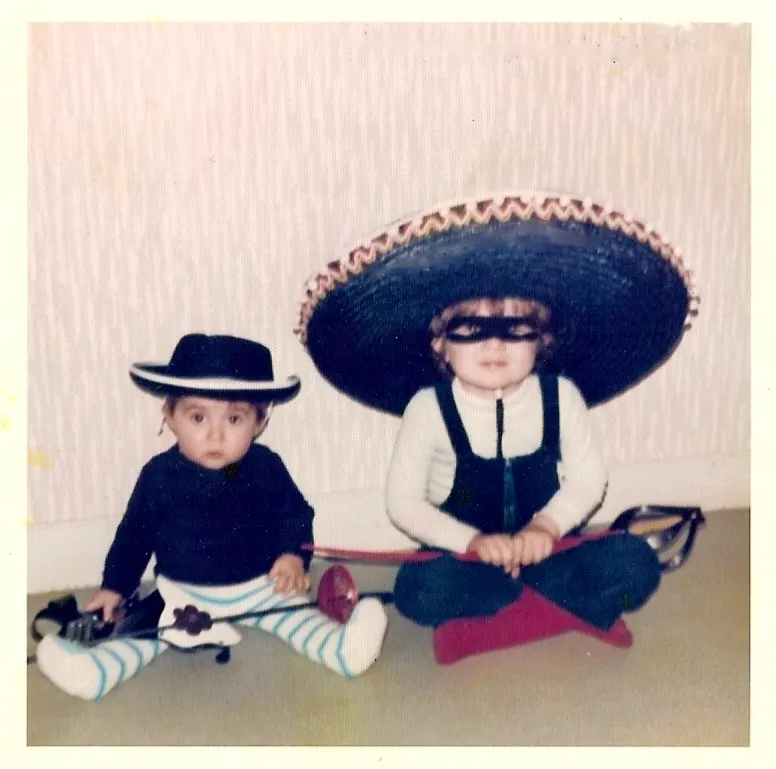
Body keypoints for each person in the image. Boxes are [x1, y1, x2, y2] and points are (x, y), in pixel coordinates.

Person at [296, 193, 698, 664]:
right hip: (470, 559)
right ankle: (555, 611)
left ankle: (498, 621)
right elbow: (403, 503)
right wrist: (472, 543)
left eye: (515, 329)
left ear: (543, 339)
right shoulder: (428, 409)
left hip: (551, 549)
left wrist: (545, 527)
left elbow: (589, 481)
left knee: (636, 563)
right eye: (470, 329)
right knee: (418, 590)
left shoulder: (562, 397)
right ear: (440, 344)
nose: (494, 345)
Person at [36, 334, 388, 700]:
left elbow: (295, 516)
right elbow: (133, 537)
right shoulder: (159, 476)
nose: (215, 434)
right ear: (169, 416)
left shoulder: (266, 467)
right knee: (143, 632)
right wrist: (115, 587)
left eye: (234, 418)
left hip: (262, 589)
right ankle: (96, 671)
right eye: (198, 417)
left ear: (259, 422)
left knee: (298, 615)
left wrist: (292, 557)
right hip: (181, 592)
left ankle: (342, 650)